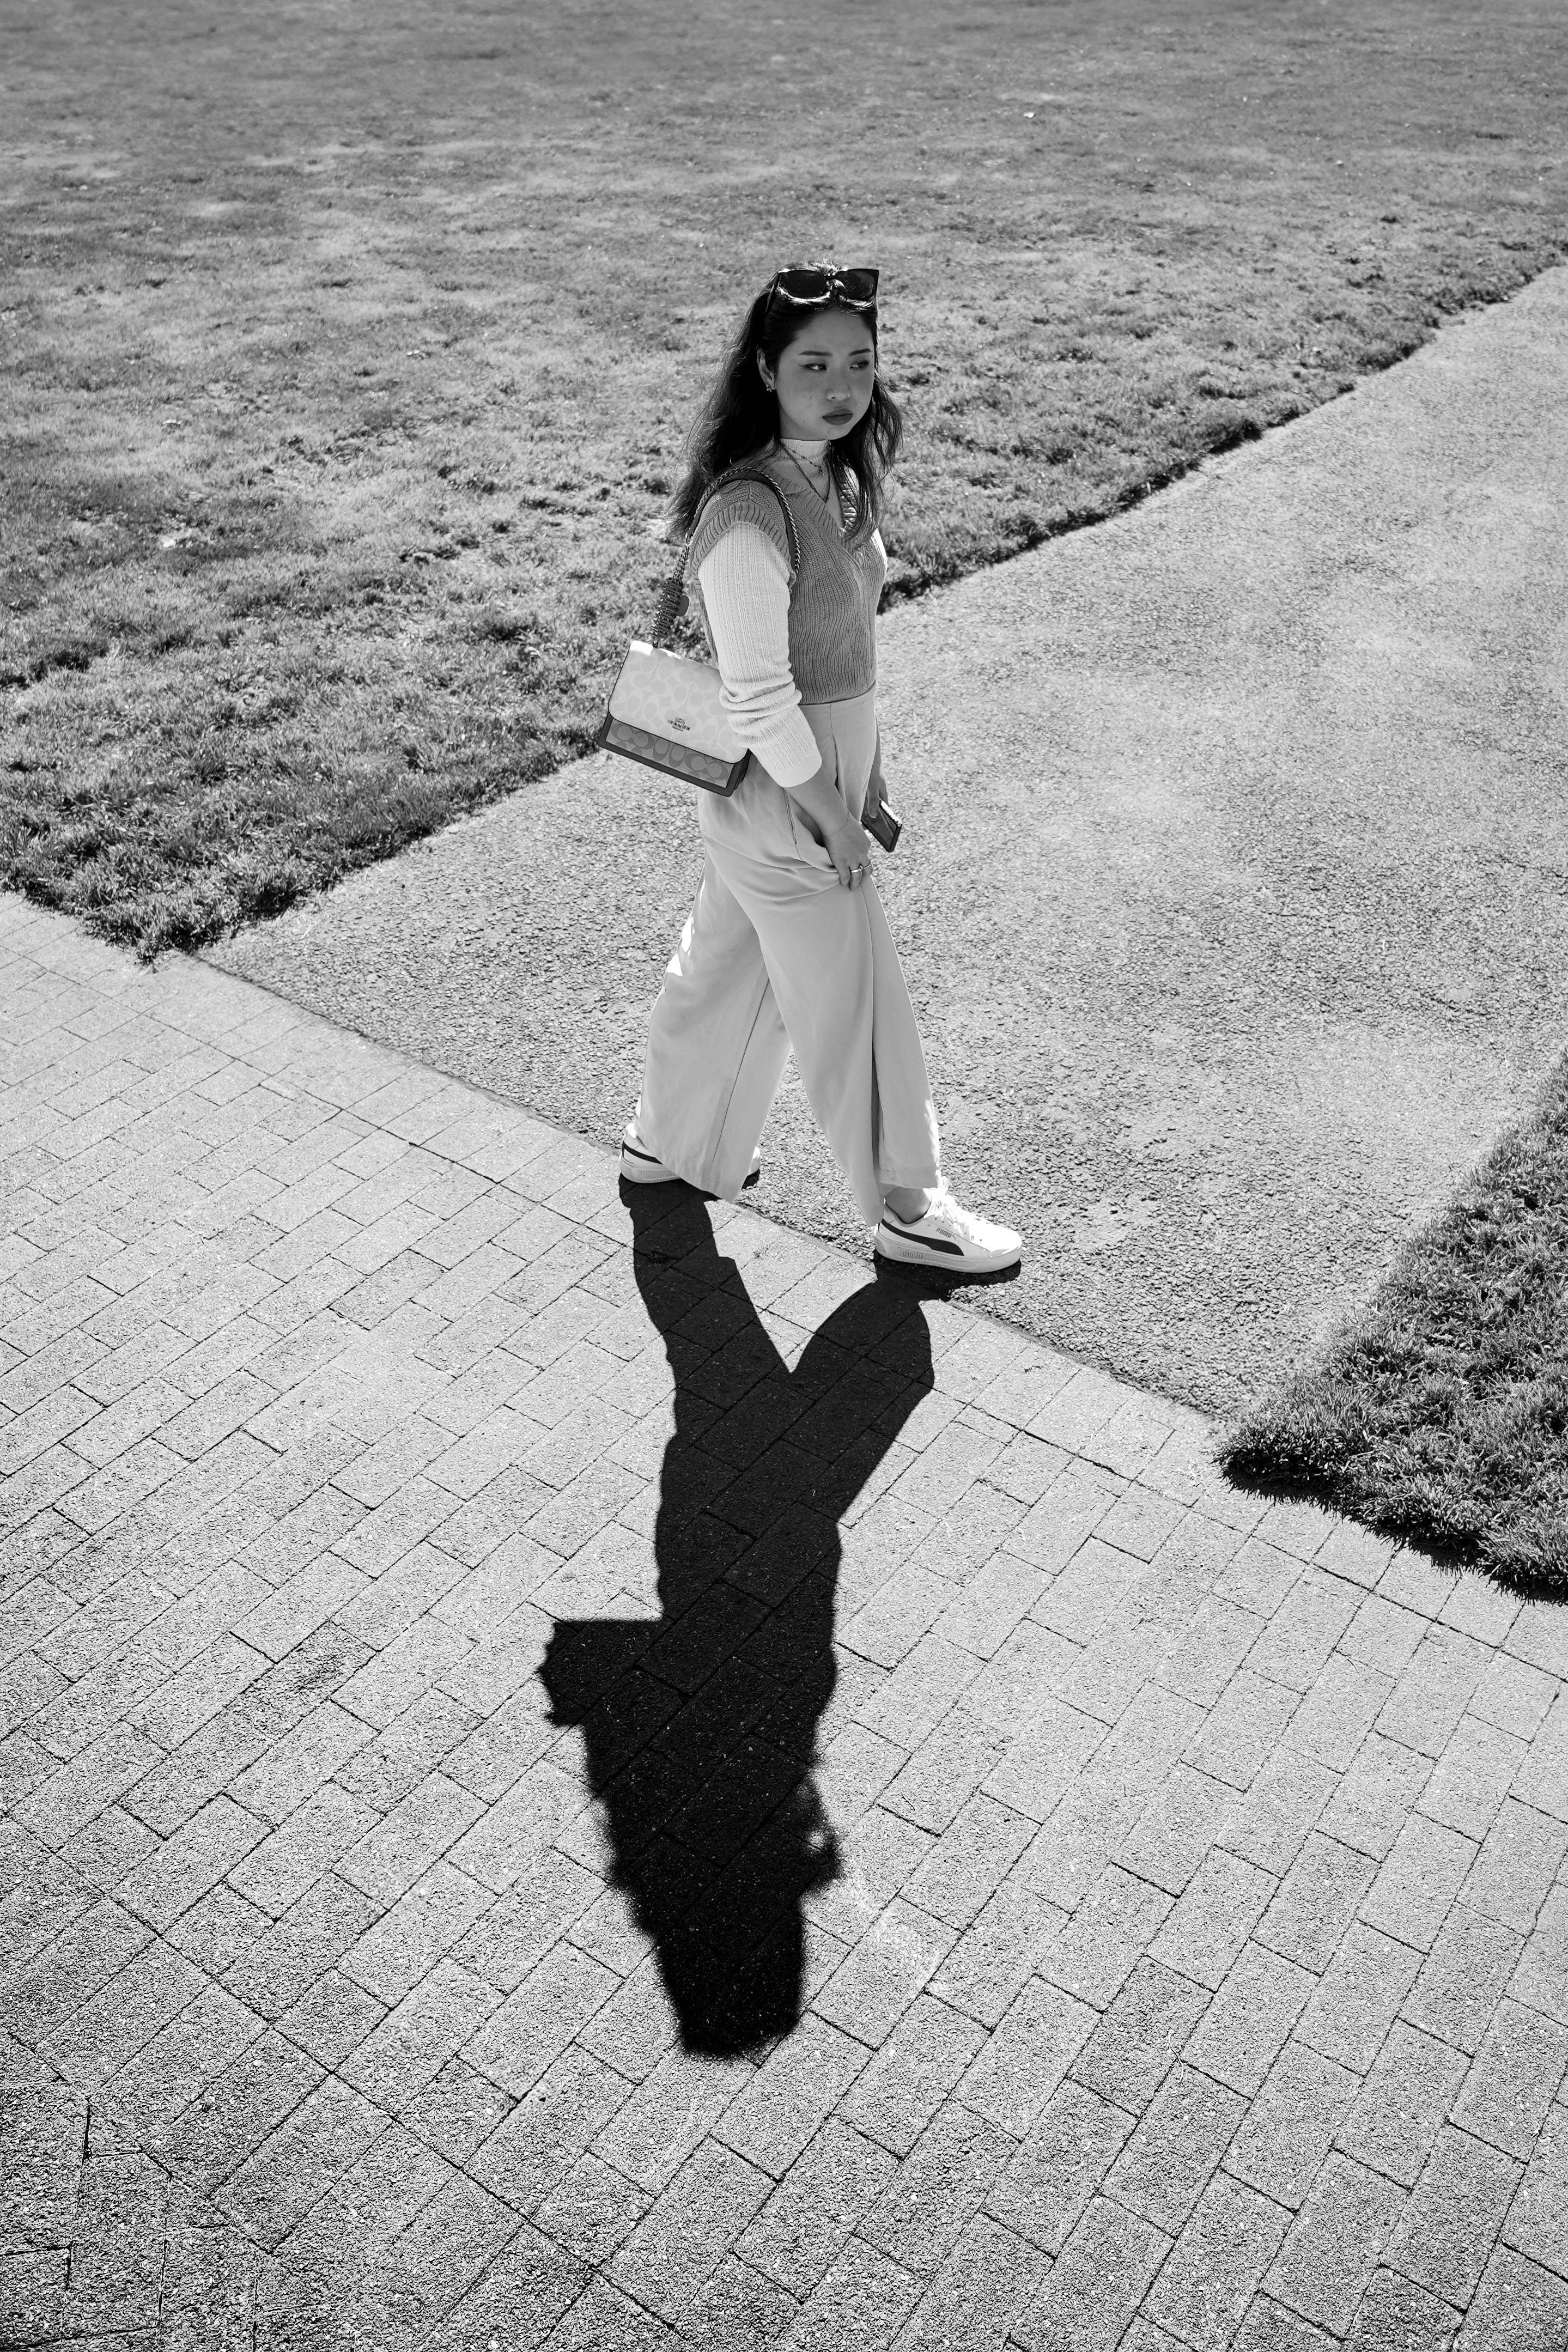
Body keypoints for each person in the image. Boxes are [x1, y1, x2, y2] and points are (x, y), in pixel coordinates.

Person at [620, 264, 1022, 1277]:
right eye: (813, 365)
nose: (841, 386)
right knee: (856, 1001)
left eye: (859, 361)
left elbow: (847, 650)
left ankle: (669, 1140)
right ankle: (908, 1208)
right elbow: (760, 698)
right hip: (787, 786)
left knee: (726, 964)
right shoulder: (748, 513)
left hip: (812, 775)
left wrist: (866, 773)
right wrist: (832, 815)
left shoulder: (832, 477)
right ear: (765, 370)